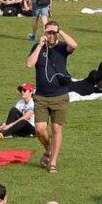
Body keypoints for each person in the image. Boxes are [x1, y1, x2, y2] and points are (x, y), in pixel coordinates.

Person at [27, 20, 77, 173]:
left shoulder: (62, 48)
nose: (51, 35)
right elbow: (29, 64)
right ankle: (49, 148)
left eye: (53, 33)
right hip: (41, 95)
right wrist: (40, 45)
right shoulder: (38, 47)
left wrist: (59, 31)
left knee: (56, 129)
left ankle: (53, 161)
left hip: (59, 94)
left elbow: (74, 45)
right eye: (48, 32)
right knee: (39, 130)